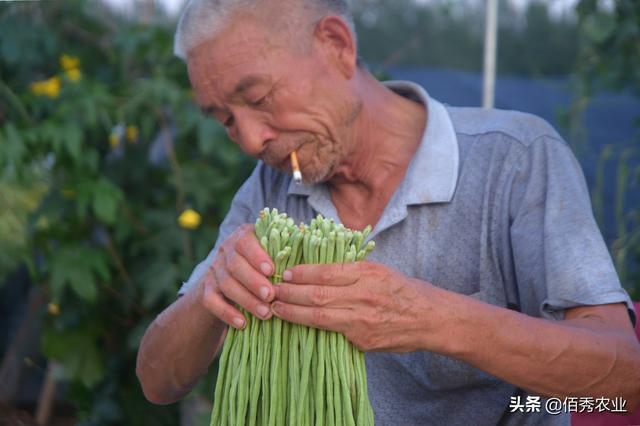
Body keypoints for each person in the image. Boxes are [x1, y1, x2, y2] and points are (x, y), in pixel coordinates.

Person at [135, 0, 640, 424]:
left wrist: (431, 318)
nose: (249, 139)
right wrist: (209, 292)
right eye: (226, 120)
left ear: (336, 45)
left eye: (259, 98)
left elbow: (625, 378)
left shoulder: (514, 157)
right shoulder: (270, 193)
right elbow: (158, 381)